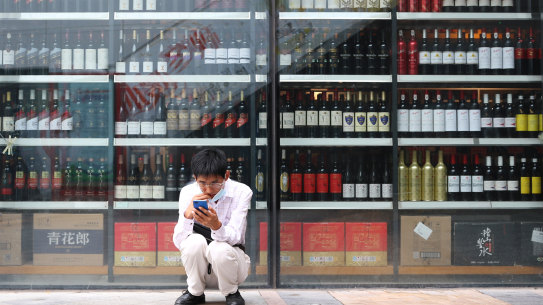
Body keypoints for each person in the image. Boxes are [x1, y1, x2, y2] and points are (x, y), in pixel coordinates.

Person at [173, 148, 252, 305]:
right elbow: (179, 243)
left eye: (215, 183)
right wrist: (187, 217)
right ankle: (195, 292)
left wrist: (216, 226)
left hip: (232, 267)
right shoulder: (188, 192)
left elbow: (236, 236)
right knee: (193, 242)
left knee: (218, 247)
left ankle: (232, 293)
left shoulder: (242, 192)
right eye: (202, 183)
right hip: (200, 270)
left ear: (226, 176)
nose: (208, 189)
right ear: (195, 178)